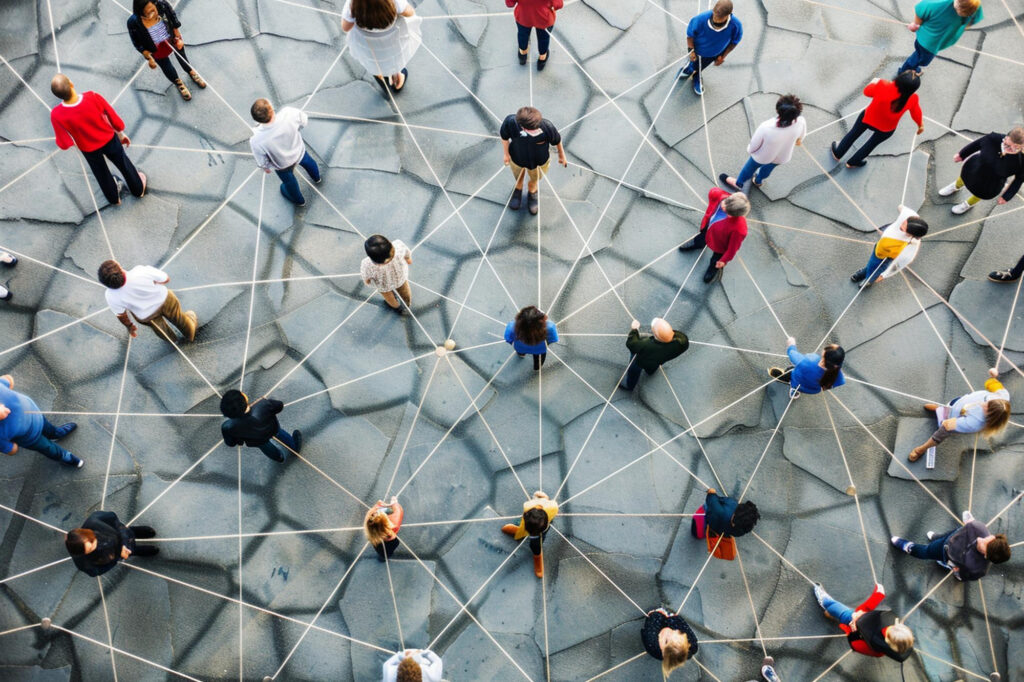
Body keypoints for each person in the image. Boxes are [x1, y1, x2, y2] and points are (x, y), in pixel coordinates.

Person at [49, 74, 146, 206]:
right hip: (108, 139)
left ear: (58, 96)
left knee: (101, 173)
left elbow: (63, 143)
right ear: (71, 84)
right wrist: (121, 134)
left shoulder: (56, 114)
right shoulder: (92, 97)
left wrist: (76, 142)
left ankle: (114, 199)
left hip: (88, 148)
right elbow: (113, 117)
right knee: (123, 163)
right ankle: (138, 189)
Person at [908, 367, 1010, 461]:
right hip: (958, 403)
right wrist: (993, 376)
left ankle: (921, 449)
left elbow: (947, 425)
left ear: (990, 416)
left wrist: (945, 421)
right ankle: (940, 409)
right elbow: (991, 383)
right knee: (949, 406)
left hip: (953, 418)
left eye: (986, 408)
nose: (983, 404)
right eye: (987, 402)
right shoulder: (1003, 395)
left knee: (941, 433)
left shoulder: (975, 423)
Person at [830, 72, 923, 168]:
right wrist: (920, 125)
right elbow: (916, 113)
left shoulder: (883, 84)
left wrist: (874, 82)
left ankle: (838, 153)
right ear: (913, 90)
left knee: (853, 134)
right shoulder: (913, 98)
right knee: (871, 144)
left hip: (868, 118)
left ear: (899, 79)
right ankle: (853, 162)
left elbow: (867, 92)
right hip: (886, 128)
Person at [891, 511, 1010, 581]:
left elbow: (963, 575)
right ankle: (936, 538)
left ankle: (909, 547)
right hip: (951, 538)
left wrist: (957, 571)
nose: (980, 538)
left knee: (925, 552)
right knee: (944, 536)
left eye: (984, 544)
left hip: (945, 553)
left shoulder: (978, 569)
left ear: (986, 555)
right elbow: (967, 520)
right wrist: (969, 519)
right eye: (988, 538)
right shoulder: (979, 528)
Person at [720, 95, 806, 191]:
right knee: (768, 169)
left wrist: (750, 150)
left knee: (749, 169)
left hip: (762, 156)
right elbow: (801, 138)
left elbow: (754, 145)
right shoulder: (801, 121)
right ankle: (758, 180)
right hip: (782, 156)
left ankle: (739, 183)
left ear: (778, 110)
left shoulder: (766, 127)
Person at [98, 260, 197, 343]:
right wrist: (155, 282)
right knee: (178, 317)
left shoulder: (110, 296)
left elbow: (121, 315)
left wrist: (130, 326)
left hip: (146, 315)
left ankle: (172, 340)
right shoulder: (140, 271)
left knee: (159, 329)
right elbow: (165, 279)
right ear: (121, 269)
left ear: (105, 284)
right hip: (165, 300)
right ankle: (190, 333)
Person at [811, 582, 914, 662]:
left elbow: (855, 645)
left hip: (852, 620)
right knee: (837, 613)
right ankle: (831, 614)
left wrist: (854, 630)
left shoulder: (874, 642)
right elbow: (874, 616)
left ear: (888, 639)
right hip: (859, 619)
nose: (894, 624)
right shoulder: (881, 650)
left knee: (832, 606)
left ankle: (824, 601)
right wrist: (878, 596)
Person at [126, 0, 206, 101]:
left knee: (182, 57)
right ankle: (178, 82)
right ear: (139, 12)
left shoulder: (162, 5)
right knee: (166, 66)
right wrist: (149, 57)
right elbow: (136, 42)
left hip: (172, 39)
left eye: (153, 10)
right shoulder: (133, 22)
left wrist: (178, 35)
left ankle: (191, 72)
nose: (151, 14)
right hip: (155, 47)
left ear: (155, 4)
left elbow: (172, 17)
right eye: (147, 13)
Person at [249, 99, 321, 206]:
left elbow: (261, 160)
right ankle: (317, 177)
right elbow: (304, 121)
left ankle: (299, 201)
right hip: (298, 151)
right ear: (272, 109)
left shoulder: (256, 140)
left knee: (289, 182)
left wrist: (266, 168)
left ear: (257, 120)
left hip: (282, 164)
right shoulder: (289, 113)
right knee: (309, 162)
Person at [0, 374, 81, 468]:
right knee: (48, 448)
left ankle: (56, 434)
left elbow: (8, 380)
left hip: (36, 416)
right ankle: (64, 456)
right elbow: (12, 449)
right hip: (31, 438)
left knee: (49, 429)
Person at [341, 0, 420, 96]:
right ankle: (397, 73)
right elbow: (410, 12)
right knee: (394, 57)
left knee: (374, 63)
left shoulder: (351, 5)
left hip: (369, 46)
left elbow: (345, 28)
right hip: (392, 42)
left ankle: (381, 77)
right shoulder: (395, 1)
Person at [939, 127, 1024, 214]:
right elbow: (977, 144)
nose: (1007, 149)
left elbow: (1019, 179)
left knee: (980, 193)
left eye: (1014, 149)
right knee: (964, 178)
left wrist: (1007, 196)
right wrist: (962, 154)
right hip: (975, 167)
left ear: (1021, 147)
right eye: (1007, 145)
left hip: (991, 183)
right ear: (1006, 137)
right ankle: (955, 186)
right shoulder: (994, 138)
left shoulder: (1021, 161)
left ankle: (967, 204)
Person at [500, 106, 567, 215]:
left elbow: (557, 140)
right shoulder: (511, 122)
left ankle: (532, 190)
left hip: (539, 161)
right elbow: (504, 137)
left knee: (535, 177)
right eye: (533, 130)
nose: (537, 131)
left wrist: (562, 155)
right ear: (522, 126)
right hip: (517, 157)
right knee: (518, 175)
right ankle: (518, 188)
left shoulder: (546, 126)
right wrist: (506, 154)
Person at [677, 188, 750, 284]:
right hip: (708, 228)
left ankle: (713, 267)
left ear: (733, 215)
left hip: (720, 244)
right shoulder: (722, 197)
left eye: (727, 211)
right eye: (726, 201)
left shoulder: (739, 230)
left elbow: (732, 249)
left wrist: (724, 260)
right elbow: (714, 194)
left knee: (717, 258)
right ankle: (698, 243)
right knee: (701, 237)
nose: (723, 205)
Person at [850, 206, 928, 286]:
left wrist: (884, 275)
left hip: (886, 258)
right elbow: (901, 207)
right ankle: (866, 273)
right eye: (904, 222)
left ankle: (869, 280)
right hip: (879, 248)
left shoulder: (911, 246)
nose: (901, 225)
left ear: (911, 234)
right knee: (872, 264)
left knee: (877, 269)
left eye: (904, 228)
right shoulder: (910, 216)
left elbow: (899, 264)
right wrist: (901, 208)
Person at [900, 0, 984, 75]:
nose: (960, 13)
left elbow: (974, 18)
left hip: (932, 42)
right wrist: (916, 24)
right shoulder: (938, 3)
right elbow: (920, 8)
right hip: (928, 44)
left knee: (919, 56)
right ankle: (903, 72)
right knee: (920, 59)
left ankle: (911, 68)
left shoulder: (973, 4)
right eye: (960, 9)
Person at [678, 0, 742, 96]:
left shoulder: (736, 26)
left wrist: (723, 56)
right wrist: (691, 51)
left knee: (701, 66)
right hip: (697, 50)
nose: (715, 19)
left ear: (728, 15)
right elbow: (690, 36)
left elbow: (734, 43)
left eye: (719, 18)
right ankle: (688, 69)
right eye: (715, 15)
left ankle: (697, 76)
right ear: (713, 9)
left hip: (714, 54)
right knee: (693, 63)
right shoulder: (700, 19)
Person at [66, 511, 158, 576]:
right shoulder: (83, 563)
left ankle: (139, 532)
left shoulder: (94, 520)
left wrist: (124, 539)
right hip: (117, 553)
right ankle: (138, 550)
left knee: (131, 532)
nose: (95, 545)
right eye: (90, 549)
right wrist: (116, 559)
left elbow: (113, 517)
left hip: (123, 534)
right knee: (132, 551)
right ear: (82, 553)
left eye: (93, 540)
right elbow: (97, 571)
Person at [219, 390, 302, 463]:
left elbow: (231, 443)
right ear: (245, 398)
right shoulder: (263, 404)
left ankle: (278, 457)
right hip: (273, 429)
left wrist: (239, 441)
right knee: (281, 435)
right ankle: (294, 447)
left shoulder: (228, 426)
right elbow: (279, 406)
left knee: (265, 447)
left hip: (256, 441)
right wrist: (265, 401)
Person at [620, 318, 689, 391]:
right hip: (659, 360)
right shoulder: (683, 341)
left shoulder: (646, 345)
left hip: (641, 361)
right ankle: (650, 372)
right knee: (653, 365)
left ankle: (629, 386)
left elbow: (632, 344)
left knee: (633, 371)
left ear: (655, 335)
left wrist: (634, 330)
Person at [501, 490, 558, 578]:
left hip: (541, 526)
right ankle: (517, 530)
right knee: (520, 526)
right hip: (527, 522)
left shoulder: (552, 507)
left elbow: (552, 505)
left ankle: (537, 558)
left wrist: (544, 500)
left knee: (536, 546)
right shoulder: (528, 506)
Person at [768, 337, 845, 398]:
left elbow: (792, 354)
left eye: (828, 347)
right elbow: (836, 384)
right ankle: (794, 392)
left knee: (789, 371)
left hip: (797, 381)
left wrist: (791, 344)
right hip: (813, 390)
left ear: (824, 358)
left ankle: (791, 387)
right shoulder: (839, 375)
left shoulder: (809, 360)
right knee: (798, 383)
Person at [641, 607, 698, 678]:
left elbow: (650, 626)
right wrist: (671, 618)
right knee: (688, 639)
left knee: (653, 622)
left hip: (656, 624)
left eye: (666, 641)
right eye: (676, 632)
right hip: (670, 622)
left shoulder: (652, 644)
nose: (668, 631)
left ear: (663, 652)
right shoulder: (690, 641)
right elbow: (682, 625)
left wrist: (655, 614)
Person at [361, 234, 413, 313]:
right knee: (405, 292)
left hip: (384, 285)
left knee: (389, 298)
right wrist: (408, 259)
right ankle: (407, 304)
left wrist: (368, 281)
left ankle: (396, 307)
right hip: (400, 278)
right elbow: (407, 255)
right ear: (389, 242)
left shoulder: (367, 264)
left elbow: (366, 279)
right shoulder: (398, 246)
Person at [506, 0, 563, 70]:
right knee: (543, 39)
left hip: (523, 15)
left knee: (522, 35)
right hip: (543, 17)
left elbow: (509, 4)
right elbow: (559, 5)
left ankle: (522, 55)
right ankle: (542, 59)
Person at [504, 306, 558, 370]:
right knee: (539, 359)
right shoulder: (550, 327)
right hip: (539, 349)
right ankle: (537, 367)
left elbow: (508, 339)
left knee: (521, 352)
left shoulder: (511, 326)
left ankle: (521, 354)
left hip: (520, 348)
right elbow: (552, 339)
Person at [365, 496, 404, 562]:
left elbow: (369, 514)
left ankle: (382, 557)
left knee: (381, 552)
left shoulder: (368, 526)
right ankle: (384, 558)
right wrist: (394, 503)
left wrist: (377, 505)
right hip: (388, 547)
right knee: (387, 553)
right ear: (387, 523)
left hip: (376, 540)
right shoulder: (394, 527)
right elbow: (398, 511)